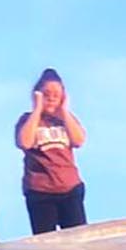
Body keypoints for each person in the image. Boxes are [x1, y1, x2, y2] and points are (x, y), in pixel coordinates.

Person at [15, 69, 88, 234]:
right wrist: (37, 109)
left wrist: (64, 110)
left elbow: (79, 140)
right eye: (47, 93)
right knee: (45, 244)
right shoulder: (27, 119)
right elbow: (24, 142)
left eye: (56, 94)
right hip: (40, 191)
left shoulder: (67, 119)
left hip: (70, 189)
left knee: (77, 240)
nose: (52, 98)